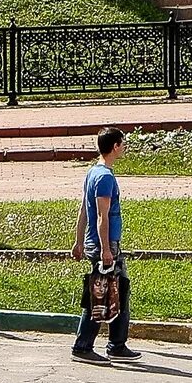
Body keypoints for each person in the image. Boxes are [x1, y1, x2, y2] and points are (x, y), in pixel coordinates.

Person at [70, 128, 136, 361]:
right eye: (123, 144)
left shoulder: (93, 173)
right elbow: (101, 216)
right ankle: (83, 346)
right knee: (100, 295)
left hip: (96, 244)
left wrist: (78, 241)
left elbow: (82, 210)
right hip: (104, 247)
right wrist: (107, 249)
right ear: (115, 146)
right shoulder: (105, 177)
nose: (124, 147)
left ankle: (117, 344)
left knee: (119, 292)